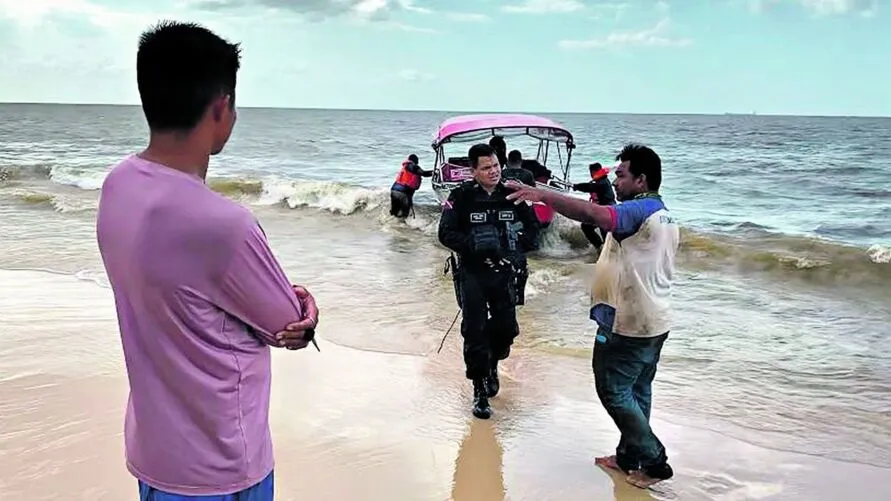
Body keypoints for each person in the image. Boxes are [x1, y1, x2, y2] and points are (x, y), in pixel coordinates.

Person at [95, 21, 319, 501]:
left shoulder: (118, 185)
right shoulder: (223, 225)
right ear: (222, 107)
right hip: (221, 465)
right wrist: (304, 306)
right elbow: (286, 325)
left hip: (155, 452)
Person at [504, 143, 679, 489]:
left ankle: (654, 458)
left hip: (628, 322)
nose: (615, 179)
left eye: (622, 174)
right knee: (637, 389)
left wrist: (542, 195)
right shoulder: (663, 213)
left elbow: (597, 216)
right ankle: (632, 458)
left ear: (642, 180)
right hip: (655, 320)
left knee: (612, 389)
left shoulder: (637, 210)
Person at [438, 143, 541, 420]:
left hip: (505, 272)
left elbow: (534, 233)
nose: (493, 171)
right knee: (474, 330)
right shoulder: (459, 197)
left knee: (506, 330)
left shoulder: (514, 194)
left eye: (496, 165)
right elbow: (445, 234)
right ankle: (480, 388)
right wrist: (472, 243)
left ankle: (493, 363)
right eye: (486, 168)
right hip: (472, 273)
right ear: (473, 171)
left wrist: (512, 248)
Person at [571, 162, 617, 248]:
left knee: (599, 230)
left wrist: (577, 187)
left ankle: (602, 248)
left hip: (607, 210)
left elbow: (590, 187)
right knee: (587, 227)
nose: (591, 175)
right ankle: (600, 247)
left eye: (591, 173)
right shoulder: (602, 181)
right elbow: (591, 186)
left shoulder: (603, 182)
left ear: (594, 172)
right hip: (604, 209)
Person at [390, 153, 432, 218]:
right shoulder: (412, 166)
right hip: (404, 193)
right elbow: (423, 173)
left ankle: (390, 226)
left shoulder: (405, 167)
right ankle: (401, 226)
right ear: (415, 161)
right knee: (405, 214)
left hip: (394, 191)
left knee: (394, 212)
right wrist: (435, 172)